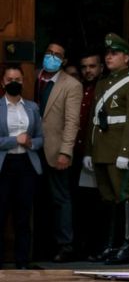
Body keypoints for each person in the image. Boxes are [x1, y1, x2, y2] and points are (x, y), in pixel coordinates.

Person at [83, 33, 129, 264]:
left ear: (126, 57)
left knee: (125, 196)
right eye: (108, 53)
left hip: (119, 152)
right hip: (102, 151)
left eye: (115, 53)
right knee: (108, 199)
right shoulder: (103, 83)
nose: (109, 57)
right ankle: (111, 245)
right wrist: (89, 152)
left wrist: (126, 152)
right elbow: (94, 120)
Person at [35, 41, 82, 262]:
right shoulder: (32, 77)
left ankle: (65, 246)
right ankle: (37, 246)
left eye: (57, 55)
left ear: (63, 61)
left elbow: (72, 122)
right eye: (49, 52)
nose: (51, 57)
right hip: (30, 149)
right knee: (34, 198)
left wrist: (66, 152)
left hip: (55, 151)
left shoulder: (71, 85)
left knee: (60, 199)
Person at [0, 65, 44, 269]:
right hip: (4, 165)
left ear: (23, 81)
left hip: (26, 165)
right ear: (3, 82)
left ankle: (22, 263)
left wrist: (30, 143)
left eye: (17, 79)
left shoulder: (32, 107)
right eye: (10, 79)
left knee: (23, 216)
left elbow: (40, 138)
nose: (14, 83)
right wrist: (14, 140)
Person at [72, 48, 105, 259]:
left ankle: (97, 248)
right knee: (79, 204)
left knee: (97, 205)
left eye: (92, 66)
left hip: (97, 155)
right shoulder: (78, 88)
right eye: (84, 67)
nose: (88, 71)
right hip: (75, 152)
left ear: (101, 67)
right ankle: (80, 247)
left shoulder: (104, 89)